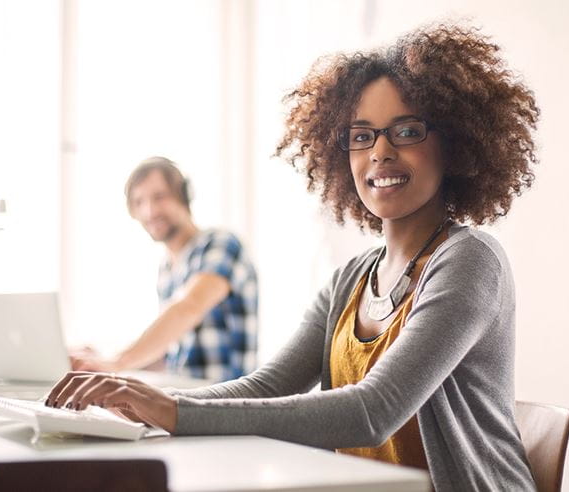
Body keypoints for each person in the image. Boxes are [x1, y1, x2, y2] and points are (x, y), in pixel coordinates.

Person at [48, 23, 539, 490]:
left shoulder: (469, 261)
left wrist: (172, 412)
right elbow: (266, 386)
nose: (380, 152)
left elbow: (373, 411)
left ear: (453, 145)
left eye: (406, 131)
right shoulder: (351, 278)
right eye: (361, 135)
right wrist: (143, 402)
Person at [70, 157, 259, 383]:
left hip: (227, 402)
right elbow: (168, 355)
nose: (150, 211)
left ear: (184, 196)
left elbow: (189, 306)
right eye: (139, 202)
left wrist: (118, 362)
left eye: (159, 197)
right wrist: (100, 359)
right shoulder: (167, 268)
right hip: (186, 397)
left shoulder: (220, 244)